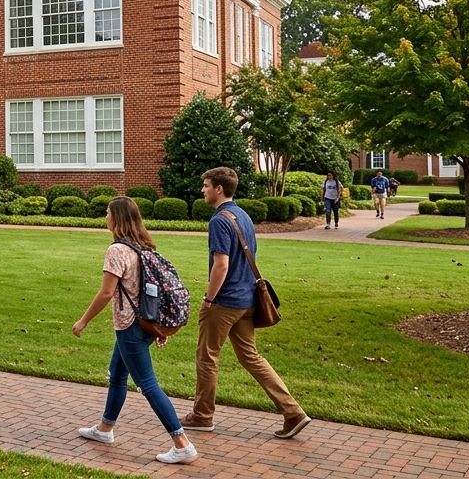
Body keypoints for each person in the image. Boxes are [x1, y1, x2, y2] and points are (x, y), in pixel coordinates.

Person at [181, 167, 310, 439]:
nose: (202, 190)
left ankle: (202, 416)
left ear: (219, 189)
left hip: (225, 302)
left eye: (205, 186)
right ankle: (293, 412)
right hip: (248, 300)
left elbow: (221, 265)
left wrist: (208, 298)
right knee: (251, 357)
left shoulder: (219, 221)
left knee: (207, 357)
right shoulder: (244, 216)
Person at [72, 197, 198, 465]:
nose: (105, 217)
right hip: (144, 322)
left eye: (107, 213)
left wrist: (83, 321)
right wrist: (158, 329)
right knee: (117, 374)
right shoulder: (145, 248)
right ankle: (105, 429)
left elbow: (107, 292)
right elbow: (152, 293)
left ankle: (182, 443)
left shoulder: (117, 250)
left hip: (129, 326)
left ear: (117, 218)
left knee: (148, 384)